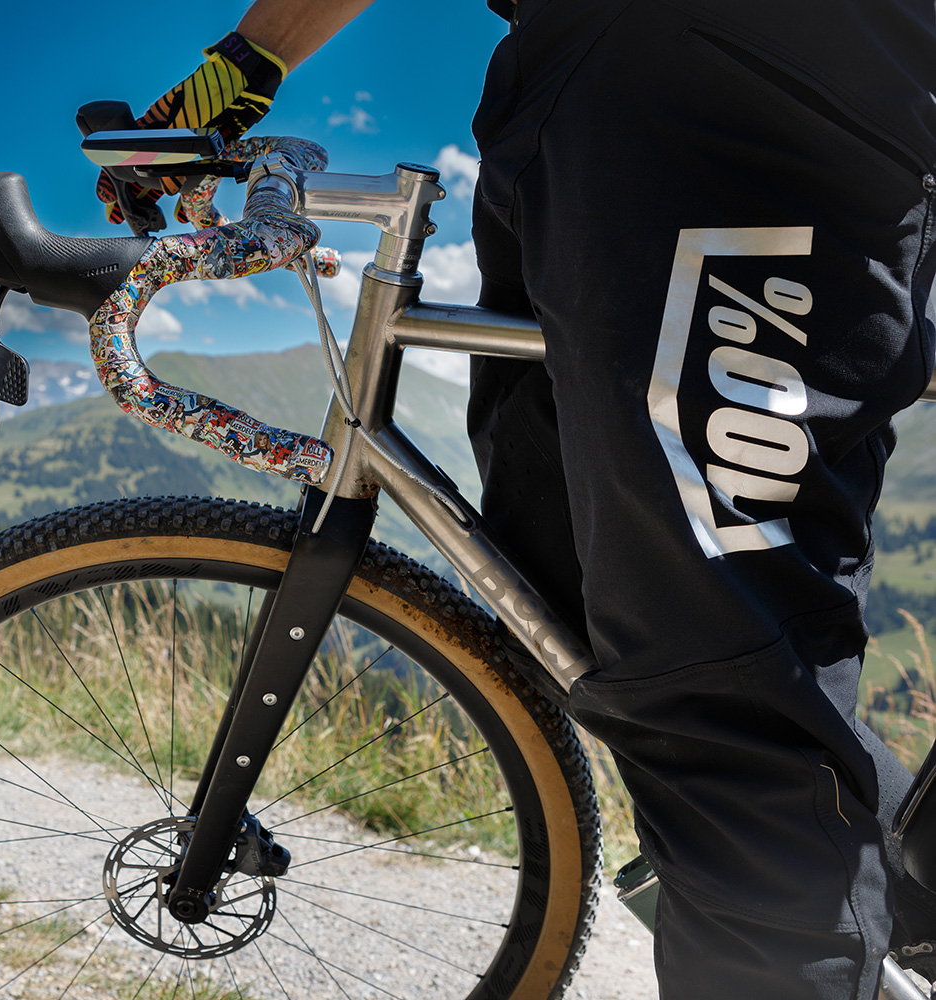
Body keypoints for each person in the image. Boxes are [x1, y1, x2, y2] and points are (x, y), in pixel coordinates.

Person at [93, 1, 936, 997]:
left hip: (753, 91)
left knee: (728, 705)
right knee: (554, 591)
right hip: (580, 87)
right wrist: (243, 67)